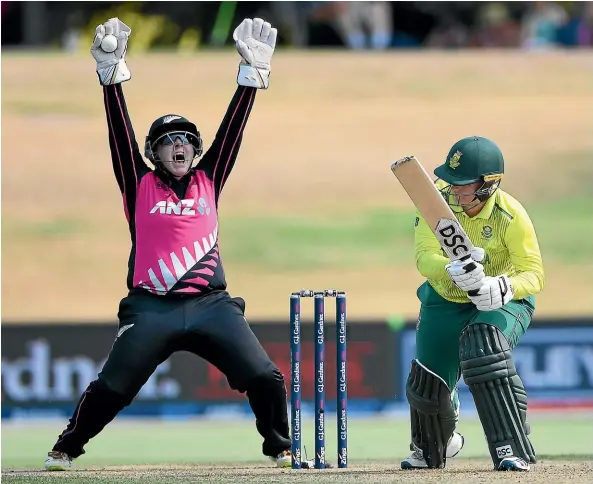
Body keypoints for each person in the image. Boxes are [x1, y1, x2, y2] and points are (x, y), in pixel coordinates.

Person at [45, 16, 298, 471]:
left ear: (195, 150)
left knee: (264, 375)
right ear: (153, 154)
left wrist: (251, 80)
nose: (178, 146)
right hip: (150, 307)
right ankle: (66, 447)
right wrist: (110, 79)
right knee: (113, 387)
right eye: (167, 142)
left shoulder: (209, 178)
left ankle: (280, 445)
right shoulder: (137, 183)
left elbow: (231, 136)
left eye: (185, 141)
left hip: (211, 304)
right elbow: (118, 135)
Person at [400, 136, 544, 472]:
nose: (453, 190)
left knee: (484, 347)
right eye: (450, 181)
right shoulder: (436, 202)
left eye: (463, 185)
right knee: (428, 382)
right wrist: (448, 269)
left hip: (500, 301)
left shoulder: (511, 216)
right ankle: (431, 446)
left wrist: (502, 286)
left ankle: (512, 446)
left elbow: (534, 275)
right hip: (445, 298)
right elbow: (424, 257)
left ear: (488, 184)